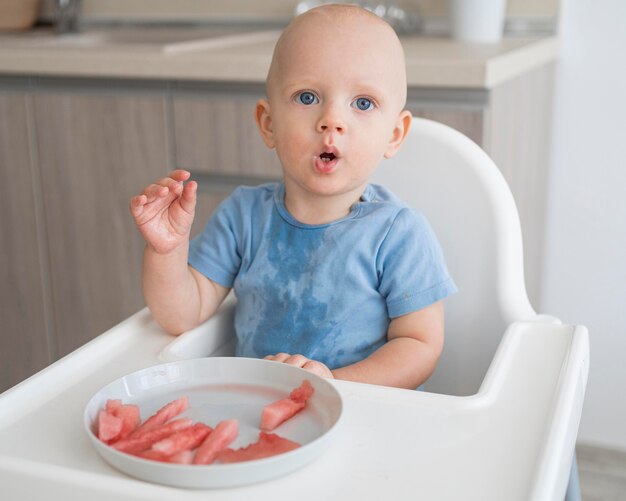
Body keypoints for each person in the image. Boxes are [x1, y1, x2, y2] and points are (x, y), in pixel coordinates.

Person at [130, 4, 456, 389]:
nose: (332, 120)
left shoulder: (400, 234)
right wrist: (166, 252)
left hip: (362, 416)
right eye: (306, 97)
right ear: (269, 124)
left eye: (362, 103)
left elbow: (420, 345)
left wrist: (332, 383)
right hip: (258, 413)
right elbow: (180, 317)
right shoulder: (243, 218)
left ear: (395, 135)